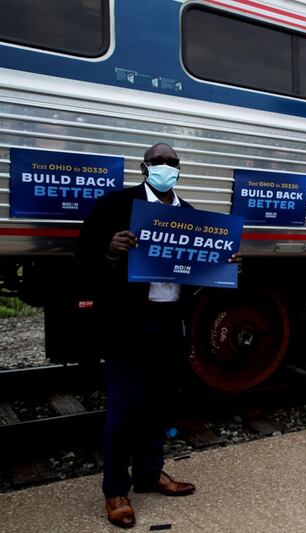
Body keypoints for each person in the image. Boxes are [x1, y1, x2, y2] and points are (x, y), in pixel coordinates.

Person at [78, 143, 241, 528]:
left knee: (158, 405)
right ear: (144, 167)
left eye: (171, 163)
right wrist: (110, 251)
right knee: (122, 409)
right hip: (128, 322)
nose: (165, 167)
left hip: (170, 322)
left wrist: (226, 264)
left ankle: (150, 474)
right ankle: (115, 490)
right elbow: (82, 255)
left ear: (179, 169)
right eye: (157, 162)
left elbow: (198, 277)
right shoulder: (116, 205)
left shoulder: (189, 216)